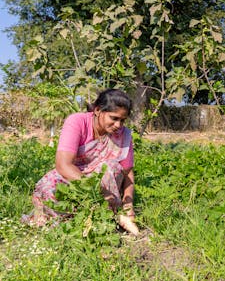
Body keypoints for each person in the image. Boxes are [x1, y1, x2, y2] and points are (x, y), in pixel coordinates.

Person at [22, 88, 139, 235]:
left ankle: (104, 217)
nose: (118, 125)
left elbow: (127, 173)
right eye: (114, 118)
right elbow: (63, 165)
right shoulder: (77, 122)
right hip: (75, 177)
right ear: (97, 110)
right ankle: (76, 220)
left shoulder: (124, 134)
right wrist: (97, 192)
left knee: (111, 166)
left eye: (122, 120)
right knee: (48, 187)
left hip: (105, 183)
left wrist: (128, 206)